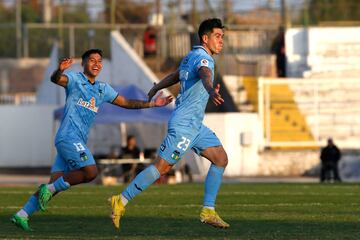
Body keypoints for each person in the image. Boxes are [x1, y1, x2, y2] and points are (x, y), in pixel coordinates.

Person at [10, 48, 173, 231]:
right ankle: (47, 191)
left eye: (99, 61)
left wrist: (152, 104)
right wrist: (59, 70)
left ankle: (21, 215)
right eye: (92, 60)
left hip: (75, 140)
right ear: (84, 63)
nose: (96, 63)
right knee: (90, 171)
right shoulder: (75, 80)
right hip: (67, 137)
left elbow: (126, 103)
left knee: (53, 185)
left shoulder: (103, 89)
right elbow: (56, 79)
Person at [109, 18, 230, 230]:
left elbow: (176, 76)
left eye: (222, 37)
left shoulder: (190, 56)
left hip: (195, 126)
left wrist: (157, 87)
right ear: (205, 37)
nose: (221, 41)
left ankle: (208, 210)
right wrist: (210, 90)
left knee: (220, 158)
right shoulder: (204, 59)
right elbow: (205, 74)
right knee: (162, 167)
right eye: (218, 36)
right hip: (184, 125)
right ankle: (121, 200)